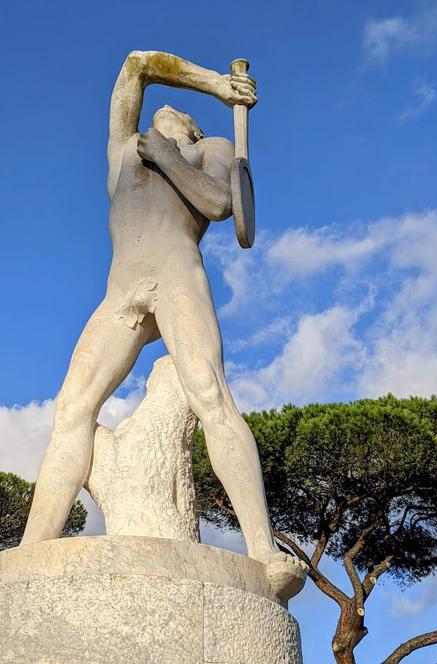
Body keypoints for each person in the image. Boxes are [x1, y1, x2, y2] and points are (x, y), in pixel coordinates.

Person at [21, 51, 305, 572]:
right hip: (122, 291)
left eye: (179, 114)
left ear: (194, 132)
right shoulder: (122, 152)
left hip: (177, 277)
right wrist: (220, 86)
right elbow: (136, 66)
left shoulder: (209, 149)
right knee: (71, 407)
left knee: (209, 395)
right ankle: (30, 549)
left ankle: (263, 550)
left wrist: (170, 157)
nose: (167, 108)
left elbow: (220, 204)